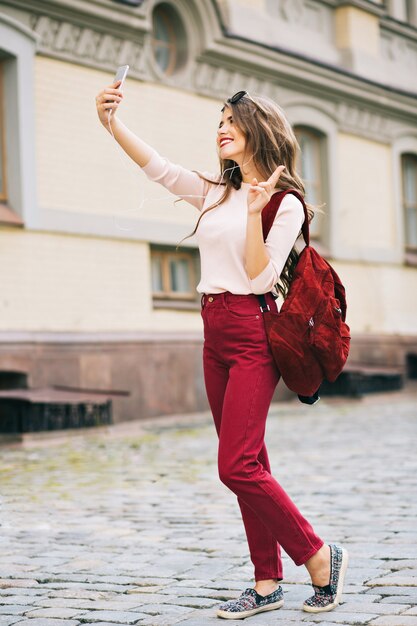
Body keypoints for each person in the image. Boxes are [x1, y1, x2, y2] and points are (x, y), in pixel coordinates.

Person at [95, 83, 349, 619]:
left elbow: (259, 280)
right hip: (213, 333)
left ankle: (319, 555)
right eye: (219, 120)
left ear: (260, 131)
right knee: (250, 461)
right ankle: (265, 583)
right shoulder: (215, 192)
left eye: (232, 120)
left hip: (253, 335)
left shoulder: (285, 206)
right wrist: (113, 124)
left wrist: (256, 213)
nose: (221, 129)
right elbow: (159, 168)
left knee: (235, 465)